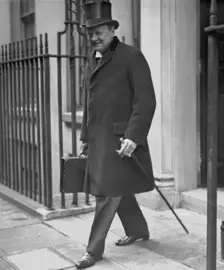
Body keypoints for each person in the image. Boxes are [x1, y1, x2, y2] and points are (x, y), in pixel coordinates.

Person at [75, 0, 156, 269]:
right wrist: (85, 138)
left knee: (107, 193)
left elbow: (145, 101)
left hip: (122, 142)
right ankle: (139, 229)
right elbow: (89, 102)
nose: (93, 37)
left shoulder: (132, 56)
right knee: (117, 188)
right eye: (89, 33)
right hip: (99, 141)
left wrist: (134, 136)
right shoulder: (91, 59)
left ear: (111, 30)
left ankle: (93, 250)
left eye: (98, 31)